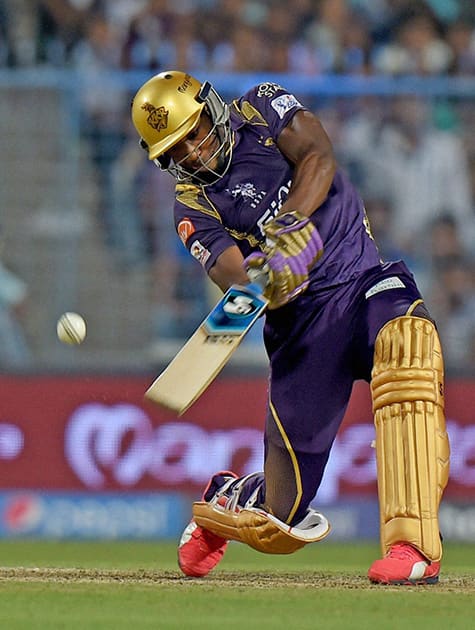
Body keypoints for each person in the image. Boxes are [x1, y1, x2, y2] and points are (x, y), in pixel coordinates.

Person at [131, 70, 450, 585]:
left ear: (212, 109)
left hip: (362, 281)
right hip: (301, 332)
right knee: (280, 519)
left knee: (408, 346)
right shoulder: (192, 205)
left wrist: (291, 224)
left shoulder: (259, 107)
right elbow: (228, 274)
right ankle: (225, 503)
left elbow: (319, 154)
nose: (192, 152)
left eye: (194, 132)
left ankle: (412, 548)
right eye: (176, 149)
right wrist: (268, 276)